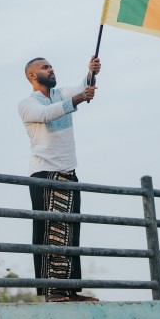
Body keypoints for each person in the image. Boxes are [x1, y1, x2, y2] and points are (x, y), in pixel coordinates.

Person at [18, 55, 101, 303]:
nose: (51, 69)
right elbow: (47, 114)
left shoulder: (63, 93)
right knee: (49, 232)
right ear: (33, 75)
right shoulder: (27, 104)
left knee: (69, 231)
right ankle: (52, 291)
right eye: (45, 67)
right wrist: (77, 99)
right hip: (45, 173)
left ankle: (69, 290)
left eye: (51, 66)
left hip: (68, 172)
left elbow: (82, 86)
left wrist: (91, 72)